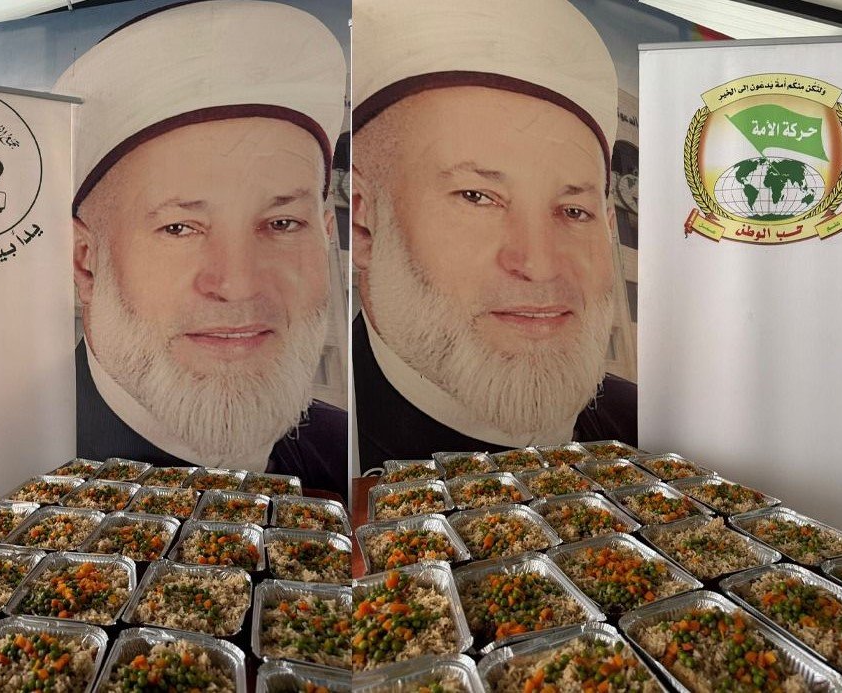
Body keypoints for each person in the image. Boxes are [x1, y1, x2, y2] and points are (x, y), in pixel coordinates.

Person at [54, 0, 348, 497]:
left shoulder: (342, 452)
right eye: (179, 228)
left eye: (282, 223)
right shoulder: (16, 460)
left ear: (324, 236)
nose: (238, 285)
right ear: (86, 261)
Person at [351, 0, 637, 472]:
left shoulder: (637, 427)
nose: (539, 265)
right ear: (366, 225)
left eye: (573, 211)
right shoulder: (331, 454)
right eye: (477, 197)